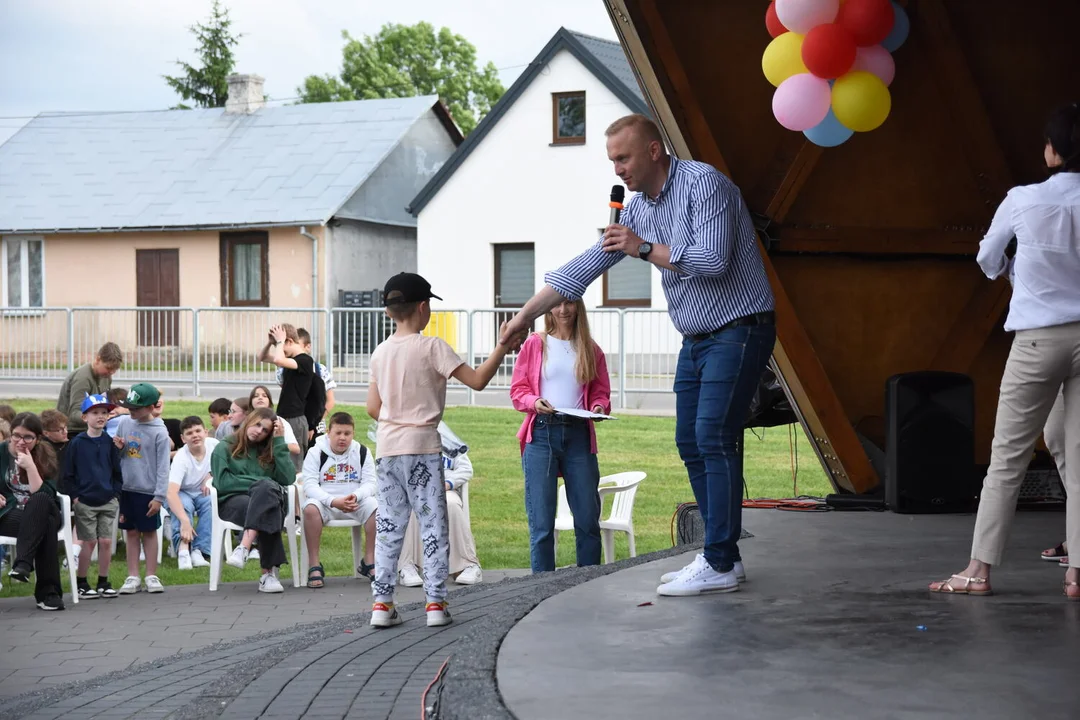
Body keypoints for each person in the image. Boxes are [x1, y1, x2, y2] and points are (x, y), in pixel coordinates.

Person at [501, 114, 775, 597]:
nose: (617, 170)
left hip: (739, 327)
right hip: (697, 339)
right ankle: (722, 557)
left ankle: (718, 559)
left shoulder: (703, 184)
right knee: (689, 442)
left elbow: (713, 261)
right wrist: (523, 317)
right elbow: (580, 270)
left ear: (653, 151)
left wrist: (642, 247)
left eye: (623, 158)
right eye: (611, 161)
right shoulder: (638, 209)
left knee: (713, 435)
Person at [931, 103, 1080, 601]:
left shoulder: (1023, 199)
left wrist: (1015, 273)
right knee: (1079, 460)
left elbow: (988, 256)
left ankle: (978, 570)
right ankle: (1077, 573)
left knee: (1007, 460)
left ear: (1052, 150)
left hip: (1038, 340)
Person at [366, 272, 523, 628]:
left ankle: (382, 604)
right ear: (423, 308)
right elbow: (478, 381)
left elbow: (373, 408)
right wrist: (501, 347)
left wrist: (397, 415)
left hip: (388, 450)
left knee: (391, 526)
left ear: (391, 311)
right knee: (433, 525)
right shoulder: (433, 346)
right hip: (422, 448)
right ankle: (435, 604)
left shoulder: (379, 353)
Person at [510, 298, 611, 572]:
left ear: (578, 307)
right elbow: (518, 391)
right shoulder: (535, 343)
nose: (563, 310)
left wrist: (598, 406)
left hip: (579, 435)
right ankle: (541, 589)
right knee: (541, 524)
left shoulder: (590, 349)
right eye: (557, 304)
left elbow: (601, 392)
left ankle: (587, 584)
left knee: (588, 521)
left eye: (569, 304)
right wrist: (534, 402)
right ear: (548, 308)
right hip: (542, 433)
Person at [210, 407, 296, 593]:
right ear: (249, 420)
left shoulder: (270, 450)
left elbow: (288, 479)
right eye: (257, 425)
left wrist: (280, 442)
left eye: (265, 430)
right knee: (266, 500)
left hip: (264, 502)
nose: (259, 431)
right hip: (232, 503)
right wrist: (261, 483)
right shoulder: (224, 447)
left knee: (265, 500)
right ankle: (268, 575)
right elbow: (223, 483)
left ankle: (243, 547)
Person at [300, 412, 377, 588]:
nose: (342, 438)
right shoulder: (315, 452)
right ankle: (314, 564)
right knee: (310, 508)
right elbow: (309, 485)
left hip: (354, 501)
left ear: (353, 434)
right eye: (338, 433)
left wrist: (356, 496)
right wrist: (333, 501)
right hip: (326, 502)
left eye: (347, 433)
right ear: (329, 432)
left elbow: (371, 483)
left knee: (376, 507)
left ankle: (369, 560)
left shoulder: (362, 452)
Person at [0, 413, 64, 610]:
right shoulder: (1, 453)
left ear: (38, 438)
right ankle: (48, 593)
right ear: (10, 435)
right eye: (16, 435)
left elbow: (48, 493)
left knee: (42, 500)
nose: (21, 441)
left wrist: (30, 467)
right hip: (10, 513)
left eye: (28, 437)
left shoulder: (45, 454)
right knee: (46, 526)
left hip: (44, 508)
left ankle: (23, 563)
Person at [62, 394, 123, 599]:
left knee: (105, 542)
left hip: (107, 500)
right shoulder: (77, 443)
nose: (100, 416)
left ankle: (103, 582)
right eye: (95, 413)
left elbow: (116, 472)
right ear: (84, 417)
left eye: (104, 413)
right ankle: (81, 582)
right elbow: (68, 473)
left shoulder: (109, 442)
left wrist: (115, 494)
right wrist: (76, 497)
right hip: (85, 501)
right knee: (89, 542)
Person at [113, 382, 170, 595]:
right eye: (130, 407)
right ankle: (133, 576)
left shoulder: (160, 432)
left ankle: (151, 575)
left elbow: (164, 467)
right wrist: (117, 449)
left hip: (149, 491)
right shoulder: (124, 424)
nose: (131, 411)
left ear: (151, 407)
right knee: (131, 532)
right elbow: (116, 456)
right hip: (127, 488)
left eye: (136, 408)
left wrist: (159, 496)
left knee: (148, 532)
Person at [398, 446, 483, 586]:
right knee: (414, 507)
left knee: (451, 504)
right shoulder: (410, 441)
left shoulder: (452, 444)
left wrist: (449, 483)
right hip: (419, 491)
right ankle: (408, 565)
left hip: (446, 490)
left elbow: (466, 470)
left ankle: (469, 564)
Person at [259, 323, 314, 471]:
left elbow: (278, 360)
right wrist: (271, 342)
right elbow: (262, 357)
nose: (280, 351)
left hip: (295, 419)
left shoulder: (305, 360)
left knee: (294, 465)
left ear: (289, 341)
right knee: (278, 460)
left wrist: (279, 341)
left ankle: (296, 493)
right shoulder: (290, 360)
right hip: (283, 416)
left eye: (282, 346)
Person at [166, 416, 217, 571]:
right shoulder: (181, 458)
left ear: (206, 432)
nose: (195, 435)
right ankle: (183, 550)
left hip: (203, 492)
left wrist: (211, 474)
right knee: (183, 505)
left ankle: (199, 551)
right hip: (181, 491)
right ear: (183, 438)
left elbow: (230, 464)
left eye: (198, 431)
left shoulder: (215, 446)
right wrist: (185, 521)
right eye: (189, 433)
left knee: (211, 503)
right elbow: (171, 493)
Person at [276, 328, 336, 437]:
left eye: (297, 344)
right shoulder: (284, 370)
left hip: (315, 425)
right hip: (295, 420)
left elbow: (329, 401)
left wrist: (313, 423)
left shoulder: (320, 370)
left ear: (307, 347)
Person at [56, 342, 123, 435]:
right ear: (98, 359)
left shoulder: (106, 376)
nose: (111, 372)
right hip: (73, 431)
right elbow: (74, 414)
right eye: (108, 368)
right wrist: (99, 419)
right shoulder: (83, 378)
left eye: (115, 369)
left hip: (93, 428)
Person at [249, 385, 301, 457]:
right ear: (251, 401)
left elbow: (295, 448)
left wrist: (272, 444)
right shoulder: (246, 420)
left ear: (269, 401)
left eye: (264, 396)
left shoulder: (279, 421)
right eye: (256, 396)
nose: (260, 398)